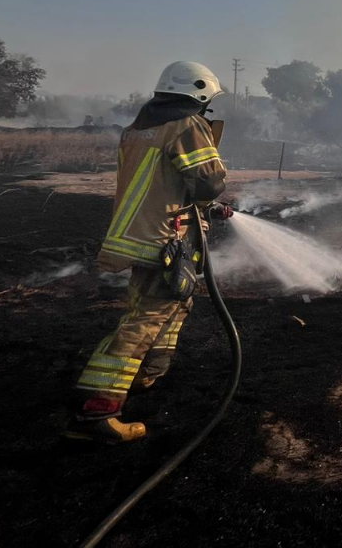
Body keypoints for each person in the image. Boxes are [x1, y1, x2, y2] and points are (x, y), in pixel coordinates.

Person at [66, 61, 234, 444]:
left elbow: (165, 186)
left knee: (171, 307)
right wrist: (213, 186)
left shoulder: (139, 129)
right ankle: (96, 412)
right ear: (200, 92)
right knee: (142, 322)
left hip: (142, 236)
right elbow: (208, 183)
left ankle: (143, 374)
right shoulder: (187, 126)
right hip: (164, 242)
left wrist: (206, 213)